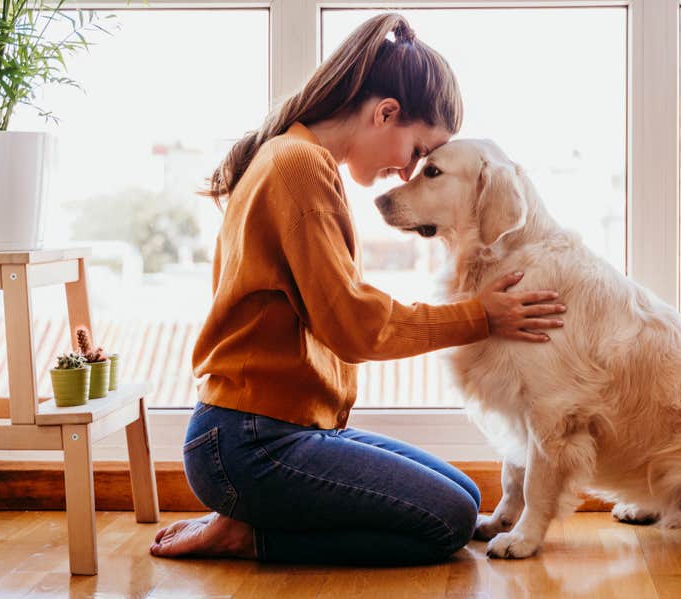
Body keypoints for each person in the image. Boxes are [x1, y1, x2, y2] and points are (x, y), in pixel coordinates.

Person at [149, 13, 566, 565]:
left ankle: (253, 515)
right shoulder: (299, 168)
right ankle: (249, 534)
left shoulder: (296, 156)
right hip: (248, 443)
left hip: (278, 431)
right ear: (385, 112)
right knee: (447, 521)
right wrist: (480, 316)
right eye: (417, 152)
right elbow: (354, 326)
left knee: (466, 497)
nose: (407, 172)